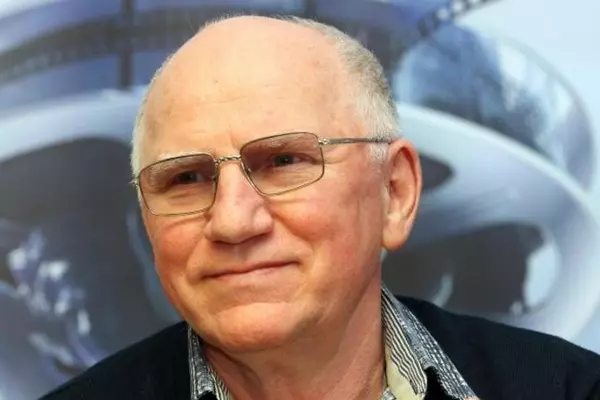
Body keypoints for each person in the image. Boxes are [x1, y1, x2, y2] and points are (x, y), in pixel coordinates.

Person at [41, 15, 600, 400]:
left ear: (395, 192)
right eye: (186, 178)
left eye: (284, 161)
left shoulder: (568, 389)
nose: (233, 221)